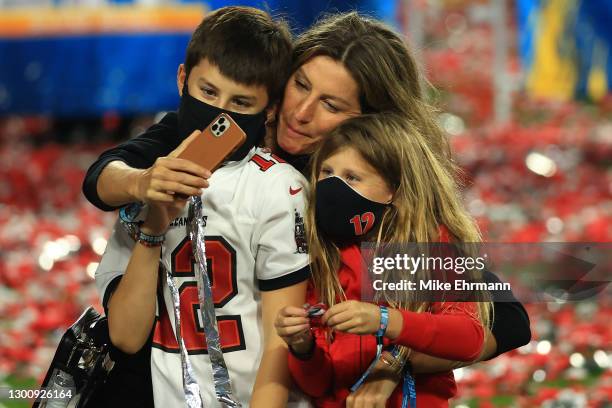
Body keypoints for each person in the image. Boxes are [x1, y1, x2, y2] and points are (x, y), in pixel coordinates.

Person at [84, 11, 530, 406]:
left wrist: (392, 360)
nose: (301, 112)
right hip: (176, 370)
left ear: (369, 124)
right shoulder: (230, 130)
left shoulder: (369, 193)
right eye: (300, 85)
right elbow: (106, 174)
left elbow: (506, 319)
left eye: (330, 105)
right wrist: (140, 182)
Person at [94, 6, 311, 407]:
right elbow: (125, 335)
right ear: (182, 79)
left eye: (241, 103)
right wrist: (153, 221)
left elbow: (281, 336)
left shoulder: (279, 186)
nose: (219, 114)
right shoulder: (154, 172)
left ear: (269, 109)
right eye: (208, 93)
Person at [275, 113, 491, 407]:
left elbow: (469, 338)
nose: (333, 186)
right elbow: (319, 383)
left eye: (352, 177)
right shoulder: (322, 254)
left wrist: (385, 320)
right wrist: (302, 347)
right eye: (326, 172)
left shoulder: (429, 246)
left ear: (394, 189)